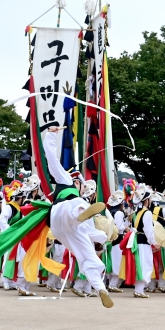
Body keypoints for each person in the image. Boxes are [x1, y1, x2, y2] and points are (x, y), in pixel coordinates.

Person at [43, 126, 113, 308]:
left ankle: (100, 288)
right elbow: (51, 158)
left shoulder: (80, 201)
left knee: (88, 255)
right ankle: (79, 215)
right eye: (83, 185)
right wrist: (51, 134)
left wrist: (103, 237)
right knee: (79, 204)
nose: (84, 189)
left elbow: (89, 232)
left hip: (63, 228)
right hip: (62, 212)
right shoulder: (65, 180)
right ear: (77, 182)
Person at [105, 191, 126, 293]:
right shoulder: (119, 213)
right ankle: (113, 284)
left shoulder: (109, 211)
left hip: (110, 240)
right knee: (117, 262)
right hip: (118, 240)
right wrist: (126, 227)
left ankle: (111, 283)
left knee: (112, 261)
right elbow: (119, 227)